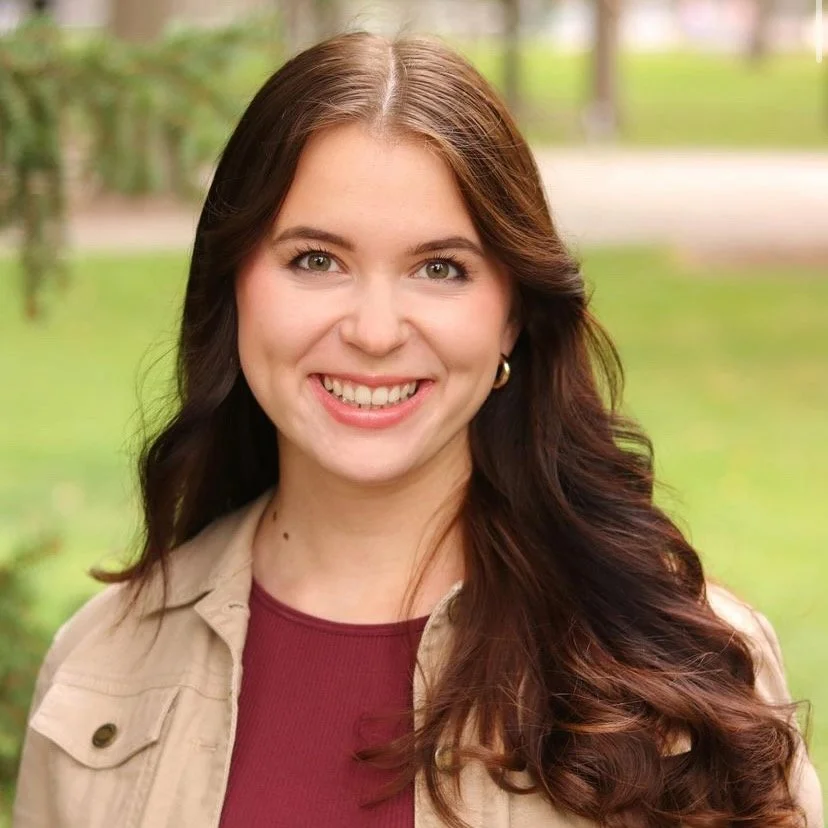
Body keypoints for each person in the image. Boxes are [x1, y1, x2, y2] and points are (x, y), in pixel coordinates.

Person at [13, 31, 822, 828]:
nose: (373, 330)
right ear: (236, 288)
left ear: (512, 316)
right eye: (315, 260)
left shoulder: (683, 674)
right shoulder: (103, 670)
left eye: (441, 268)